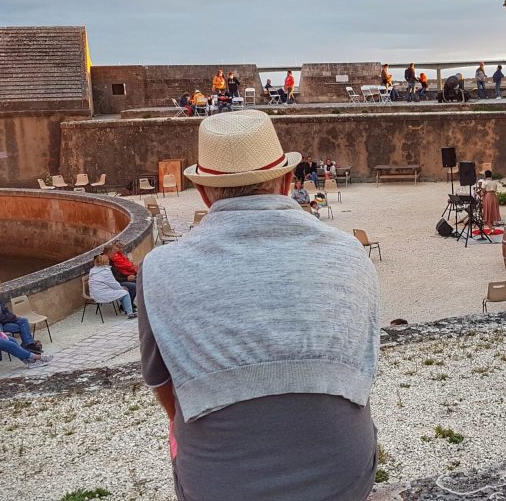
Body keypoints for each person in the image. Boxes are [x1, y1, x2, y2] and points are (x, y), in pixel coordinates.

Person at [138, 110, 379, 500]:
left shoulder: (159, 267)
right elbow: (362, 372)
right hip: (343, 478)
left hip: (218, 485)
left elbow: (161, 383)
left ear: (204, 192)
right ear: (287, 182)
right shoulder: (350, 254)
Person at [0, 279, 43, 353]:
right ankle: (28, 345)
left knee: (23, 321)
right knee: (21, 327)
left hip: (5, 321)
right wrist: (13, 318)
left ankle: (28, 344)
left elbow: (5, 311)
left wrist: (13, 315)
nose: (1, 288)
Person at [89, 254, 136, 319]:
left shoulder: (93, 270)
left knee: (122, 292)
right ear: (106, 262)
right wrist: (121, 288)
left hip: (95, 294)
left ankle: (127, 310)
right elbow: (113, 283)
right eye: (108, 260)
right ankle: (130, 313)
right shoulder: (105, 271)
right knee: (125, 293)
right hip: (102, 294)